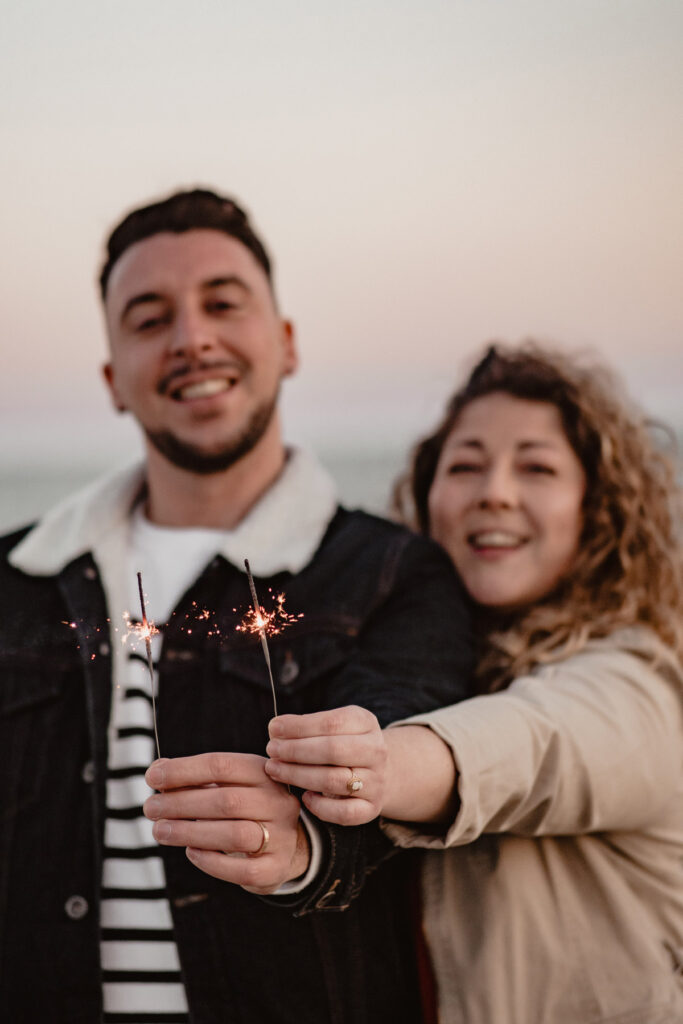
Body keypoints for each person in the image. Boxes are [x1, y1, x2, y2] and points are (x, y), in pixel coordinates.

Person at [0, 188, 474, 1023]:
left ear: (286, 344)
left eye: (222, 302)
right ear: (113, 379)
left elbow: (407, 746)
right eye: (149, 319)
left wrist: (306, 840)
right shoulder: (16, 577)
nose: (191, 338)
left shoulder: (395, 572)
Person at [264, 343, 683, 1023]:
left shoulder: (638, 678)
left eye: (537, 466)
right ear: (428, 501)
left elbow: (537, 743)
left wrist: (384, 764)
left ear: (597, 509)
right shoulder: (422, 672)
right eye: (464, 465)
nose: (494, 490)